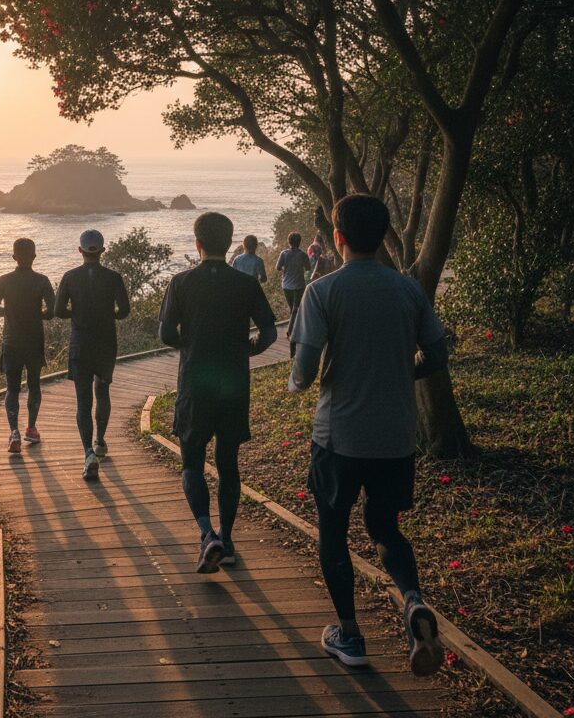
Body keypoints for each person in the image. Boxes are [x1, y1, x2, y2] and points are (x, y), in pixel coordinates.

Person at [288, 193, 448, 677]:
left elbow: (305, 367)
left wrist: (296, 383)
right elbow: (437, 355)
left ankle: (350, 634)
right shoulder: (408, 290)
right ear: (381, 236)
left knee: (333, 530)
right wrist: (400, 372)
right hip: (396, 436)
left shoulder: (323, 291)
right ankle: (413, 601)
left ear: (337, 237)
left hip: (339, 436)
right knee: (385, 528)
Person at [160, 213, 277, 574]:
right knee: (228, 464)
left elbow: (166, 334)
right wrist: (247, 350)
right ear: (230, 244)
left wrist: (191, 345)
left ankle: (206, 534)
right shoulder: (246, 284)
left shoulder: (181, 283)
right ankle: (227, 539)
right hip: (233, 384)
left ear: (197, 243)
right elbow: (270, 332)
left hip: (195, 383)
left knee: (192, 463)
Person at [54, 229, 130, 480]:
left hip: (80, 345)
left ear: (80, 251)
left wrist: (77, 313)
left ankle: (88, 453)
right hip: (106, 344)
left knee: (83, 401)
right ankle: (100, 441)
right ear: (102, 251)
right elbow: (124, 311)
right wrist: (108, 315)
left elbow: (58, 310)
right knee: (103, 391)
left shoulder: (70, 277)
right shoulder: (113, 278)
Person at [0, 237, 55, 454]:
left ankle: (14, 432)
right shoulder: (42, 281)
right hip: (34, 341)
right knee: (34, 385)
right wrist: (36, 314)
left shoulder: (4, 280)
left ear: (14, 257)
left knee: (12, 388)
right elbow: (51, 312)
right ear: (34, 256)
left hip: (12, 341)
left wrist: (10, 312)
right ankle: (31, 429)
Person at [276, 232, 310, 338]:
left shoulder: (284, 253)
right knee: (296, 308)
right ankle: (292, 330)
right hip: (299, 285)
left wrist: (285, 268)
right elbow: (308, 268)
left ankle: (292, 330)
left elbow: (278, 267)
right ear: (299, 242)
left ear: (289, 241)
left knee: (293, 308)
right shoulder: (303, 255)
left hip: (286, 285)